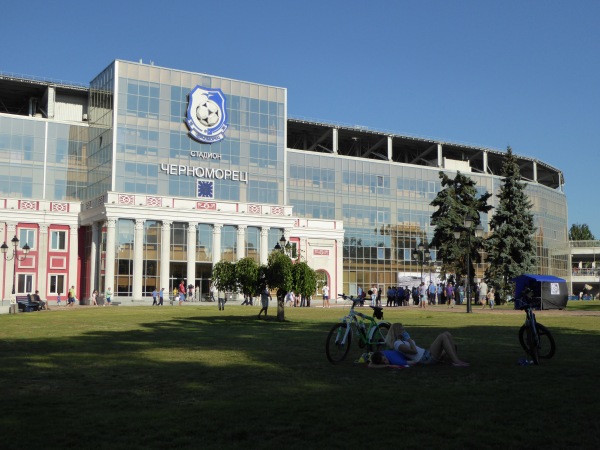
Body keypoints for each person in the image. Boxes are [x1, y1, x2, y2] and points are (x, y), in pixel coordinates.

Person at [385, 323, 469, 367]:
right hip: (425, 359)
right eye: (402, 329)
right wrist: (409, 339)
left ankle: (455, 359)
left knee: (447, 334)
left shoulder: (401, 341)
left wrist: (408, 340)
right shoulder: (397, 344)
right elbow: (413, 352)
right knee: (442, 336)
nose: (404, 330)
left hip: (426, 354)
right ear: (397, 331)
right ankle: (456, 361)